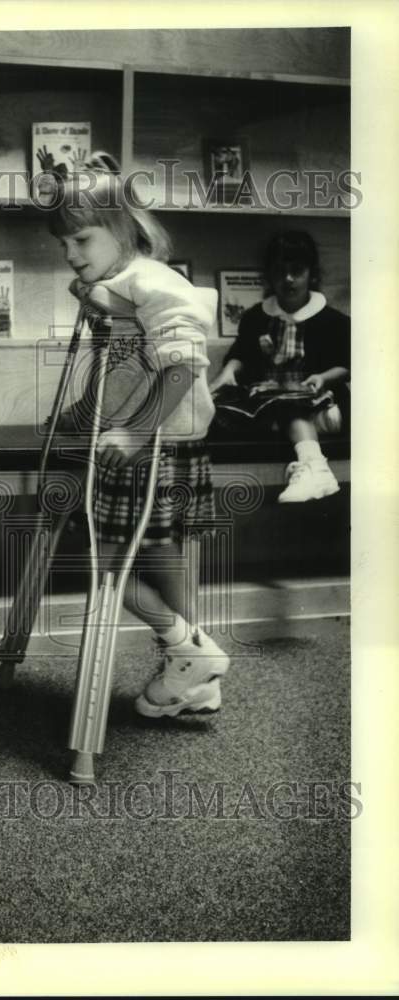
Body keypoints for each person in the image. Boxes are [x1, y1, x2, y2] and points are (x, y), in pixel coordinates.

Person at [47, 152, 230, 719]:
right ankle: (193, 670)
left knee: (109, 569)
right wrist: (89, 408)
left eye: (81, 240)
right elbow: (127, 363)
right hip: (145, 441)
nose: (72, 256)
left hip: (154, 447)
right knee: (155, 552)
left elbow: (181, 365)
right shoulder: (119, 281)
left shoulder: (152, 281)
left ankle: (187, 649)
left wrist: (133, 433)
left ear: (123, 227)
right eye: (65, 246)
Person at [209, 230, 350, 503]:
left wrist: (322, 377)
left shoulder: (332, 320)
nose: (288, 279)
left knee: (287, 405)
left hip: (323, 406)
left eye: (297, 271)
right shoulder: (255, 317)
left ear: (312, 273)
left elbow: (347, 364)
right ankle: (307, 466)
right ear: (269, 275)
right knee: (228, 410)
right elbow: (242, 355)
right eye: (280, 271)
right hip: (269, 403)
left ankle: (315, 468)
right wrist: (227, 373)